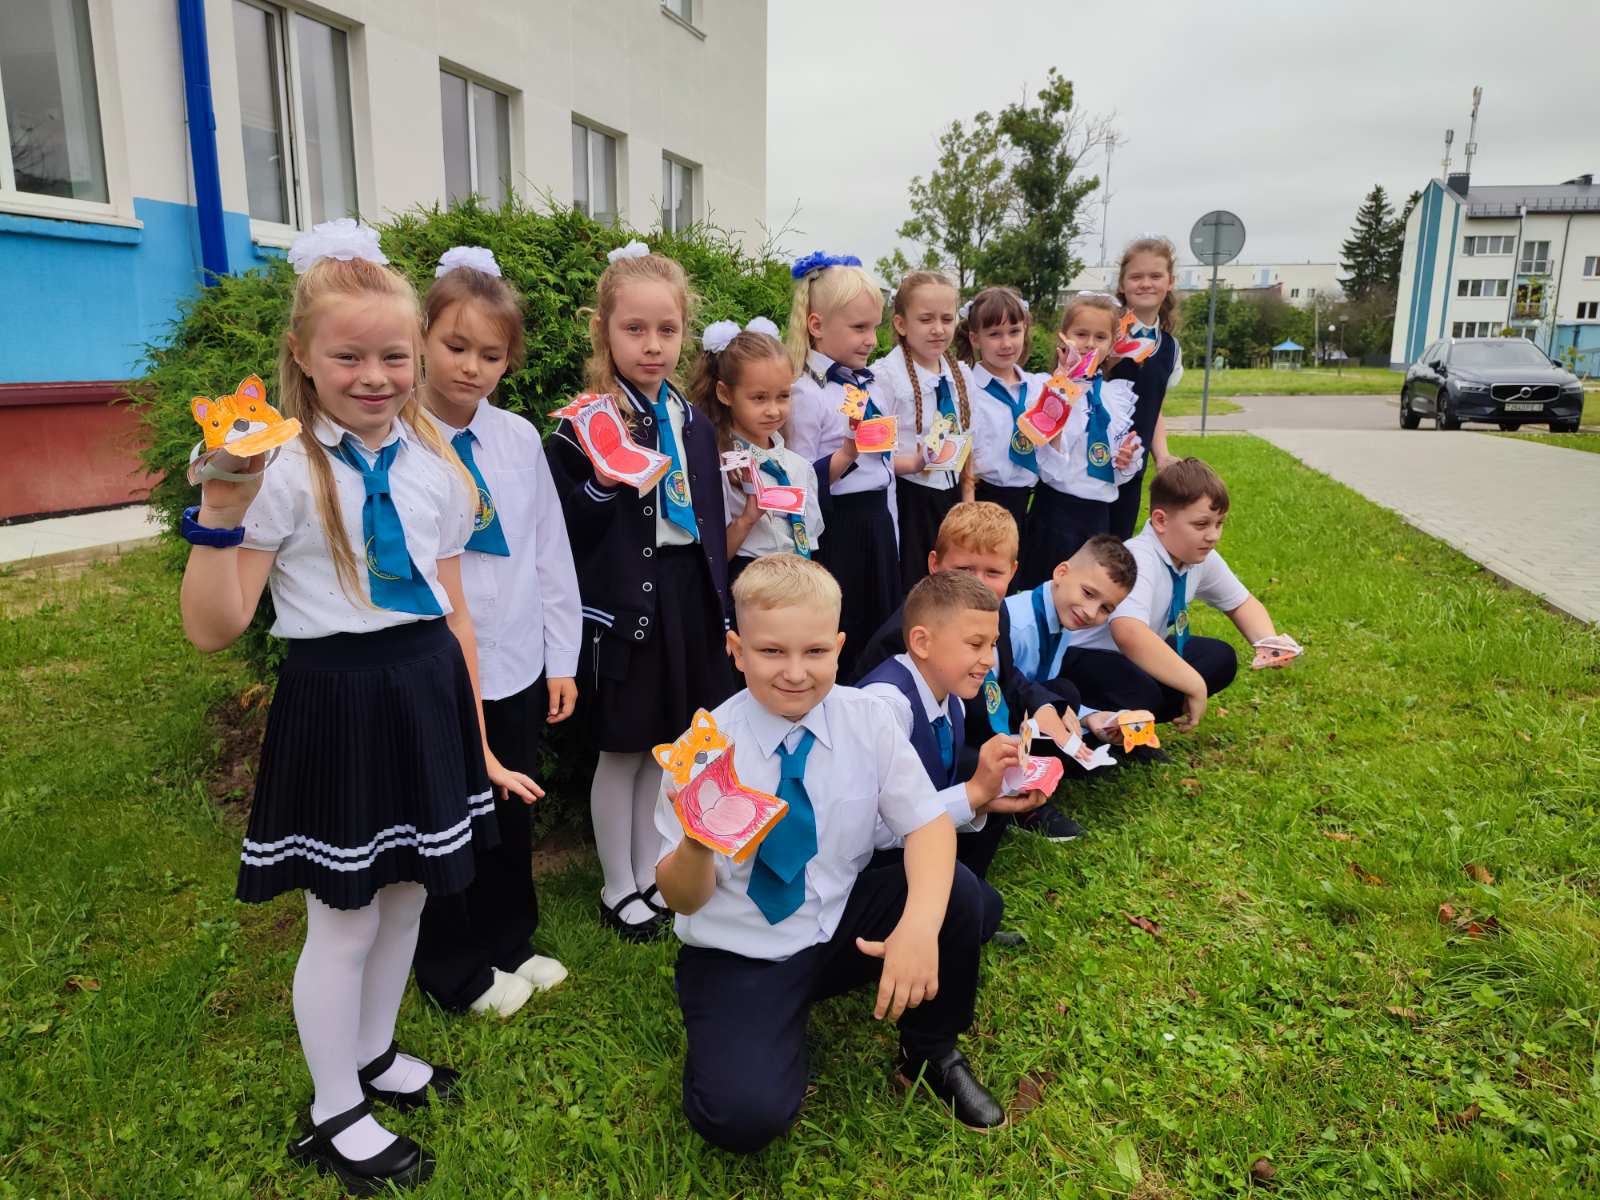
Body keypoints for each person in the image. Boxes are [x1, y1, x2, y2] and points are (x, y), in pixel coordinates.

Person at [178, 220, 538, 1193]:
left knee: (411, 890)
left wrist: (480, 746)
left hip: (426, 691)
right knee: (343, 917)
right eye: (348, 357)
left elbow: (455, 617)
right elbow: (215, 627)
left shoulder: (437, 466)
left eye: (393, 356)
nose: (374, 377)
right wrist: (220, 513)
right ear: (302, 354)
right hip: (338, 699)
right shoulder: (281, 472)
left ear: (415, 353)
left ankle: (375, 1054)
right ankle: (336, 1106)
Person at [654, 555, 1007, 1153]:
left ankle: (929, 1052)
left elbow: (927, 825)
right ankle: (747, 1034)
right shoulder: (703, 751)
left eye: (815, 651)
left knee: (956, 894)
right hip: (743, 949)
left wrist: (918, 928)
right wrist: (696, 841)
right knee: (741, 1117)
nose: (795, 672)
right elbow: (682, 898)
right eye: (771, 652)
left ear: (839, 647)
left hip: (838, 922)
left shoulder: (867, 720)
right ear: (737, 650)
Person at [545, 242, 734, 941]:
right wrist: (603, 481)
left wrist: (721, 607)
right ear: (604, 331)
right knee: (621, 748)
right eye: (635, 329)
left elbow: (707, 521)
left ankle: (651, 868)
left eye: (667, 330)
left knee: (667, 745)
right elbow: (564, 527)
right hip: (626, 606)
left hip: (686, 597)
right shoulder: (585, 423)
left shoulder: (693, 420)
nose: (652, 345)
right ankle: (615, 884)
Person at [413, 246, 577, 1018]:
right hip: (434, 658)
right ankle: (452, 965)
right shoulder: (398, 437)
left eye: (491, 354)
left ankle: (511, 939)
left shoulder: (516, 439)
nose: (471, 367)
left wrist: (560, 656)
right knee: (448, 814)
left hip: (514, 658)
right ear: (421, 338)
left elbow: (549, 547)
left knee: (513, 806)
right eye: (455, 346)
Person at [851, 502, 1095, 843]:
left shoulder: (994, 611)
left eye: (992, 573)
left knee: (1062, 696)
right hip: (934, 744)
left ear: (1012, 572)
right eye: (964, 569)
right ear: (934, 564)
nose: (977, 584)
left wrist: (1042, 705)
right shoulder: (906, 635)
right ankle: (1007, 804)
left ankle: (1018, 786)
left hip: (982, 715)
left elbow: (1007, 676)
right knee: (988, 764)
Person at [858, 570, 1045, 943]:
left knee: (981, 904)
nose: (989, 659)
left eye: (993, 644)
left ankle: (961, 903)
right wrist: (973, 793)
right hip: (862, 868)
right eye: (975, 644)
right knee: (982, 908)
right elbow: (871, 832)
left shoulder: (951, 697)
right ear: (922, 642)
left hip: (908, 841)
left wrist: (986, 799)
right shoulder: (884, 707)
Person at [1063, 458, 1283, 732]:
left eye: (1219, 524)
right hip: (1081, 657)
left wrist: (1269, 642)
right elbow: (1128, 633)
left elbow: (1241, 603)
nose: (1213, 536)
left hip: (1129, 660)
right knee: (1142, 691)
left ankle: (1137, 722)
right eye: (1201, 524)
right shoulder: (1137, 558)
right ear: (1161, 521)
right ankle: (1100, 727)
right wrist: (1193, 684)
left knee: (1219, 658)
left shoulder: (1198, 557)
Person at [784, 251, 901, 676]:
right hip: (838, 529)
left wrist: (892, 531)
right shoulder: (806, 393)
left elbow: (886, 470)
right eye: (858, 328)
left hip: (877, 522)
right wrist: (847, 453)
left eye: (875, 327)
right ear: (816, 326)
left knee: (882, 632)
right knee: (844, 634)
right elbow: (799, 480)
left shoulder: (873, 385)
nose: (871, 340)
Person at [1016, 292, 1143, 591]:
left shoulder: (1115, 396)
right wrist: (1062, 392)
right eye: (1081, 334)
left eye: (1100, 337)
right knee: (1046, 591)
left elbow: (1117, 469)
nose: (1089, 344)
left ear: (1112, 344)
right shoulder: (1049, 390)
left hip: (1097, 516)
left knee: (1087, 593)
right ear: (1064, 337)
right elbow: (1046, 459)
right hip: (1055, 510)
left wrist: (1126, 461)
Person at [688, 315, 823, 583]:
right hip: (748, 583)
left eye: (783, 396)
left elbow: (812, 541)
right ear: (725, 394)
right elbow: (711, 559)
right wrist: (746, 520)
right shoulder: (718, 467)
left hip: (798, 582)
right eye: (759, 398)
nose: (773, 410)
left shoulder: (799, 467)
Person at [873, 271, 974, 593]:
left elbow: (969, 442)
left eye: (947, 319)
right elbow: (874, 456)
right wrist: (914, 463)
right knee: (915, 585)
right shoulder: (886, 377)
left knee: (952, 582)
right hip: (909, 497)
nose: (938, 329)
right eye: (926, 319)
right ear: (901, 324)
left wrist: (968, 502)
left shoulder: (961, 374)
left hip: (951, 495)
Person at [954, 286, 1056, 547]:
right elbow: (964, 455)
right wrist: (969, 508)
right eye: (994, 334)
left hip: (1029, 503)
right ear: (975, 339)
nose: (1007, 343)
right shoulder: (966, 390)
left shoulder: (1038, 388)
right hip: (981, 499)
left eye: (1014, 331)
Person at [1108, 236, 1185, 539]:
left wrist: (1162, 456)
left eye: (1155, 276)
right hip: (1087, 467)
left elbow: (1154, 407)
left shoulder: (1169, 348)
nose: (1146, 284)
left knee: (1116, 547)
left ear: (1170, 282)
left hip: (1131, 470)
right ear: (1122, 284)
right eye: (1136, 276)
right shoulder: (1101, 333)